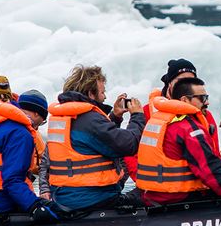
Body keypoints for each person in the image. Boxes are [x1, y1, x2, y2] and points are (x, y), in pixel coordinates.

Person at [134, 76, 221, 206]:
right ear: (184, 100)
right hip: (179, 198)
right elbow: (208, 166)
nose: (207, 103)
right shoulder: (187, 128)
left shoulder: (161, 119)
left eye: (207, 97)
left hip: (153, 195)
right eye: (202, 98)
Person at [40, 65, 145, 214]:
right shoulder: (90, 119)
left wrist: (114, 117)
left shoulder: (63, 118)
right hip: (94, 199)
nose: (105, 97)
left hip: (65, 197)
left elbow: (96, 141)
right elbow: (127, 145)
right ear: (91, 94)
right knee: (146, 193)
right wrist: (137, 116)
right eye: (102, 92)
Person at [122, 58, 220, 178]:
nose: (185, 84)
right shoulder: (148, 112)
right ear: (169, 83)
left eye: (191, 80)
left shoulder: (204, 114)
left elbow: (214, 152)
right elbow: (130, 151)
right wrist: (140, 178)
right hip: (156, 185)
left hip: (197, 184)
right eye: (181, 80)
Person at [0, 91, 56, 221]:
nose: (36, 128)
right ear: (37, 114)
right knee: (52, 213)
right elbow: (12, 180)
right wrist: (35, 206)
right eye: (40, 123)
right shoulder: (19, 134)